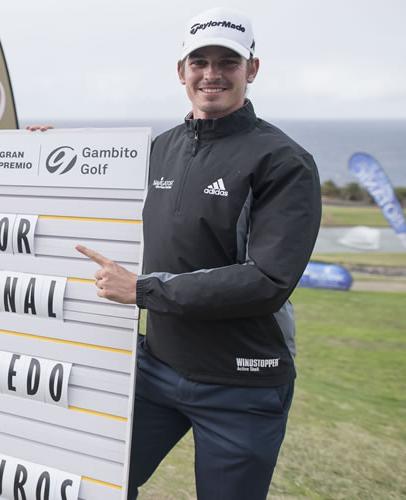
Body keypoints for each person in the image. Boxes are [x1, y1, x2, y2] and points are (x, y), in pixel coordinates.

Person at [30, 6, 321, 499]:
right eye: (199, 61)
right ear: (181, 71)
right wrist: (57, 157)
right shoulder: (158, 149)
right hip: (154, 369)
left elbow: (268, 281)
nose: (212, 74)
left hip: (242, 383)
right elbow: (96, 195)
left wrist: (143, 291)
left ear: (251, 69)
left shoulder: (283, 161)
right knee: (88, 483)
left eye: (227, 62)